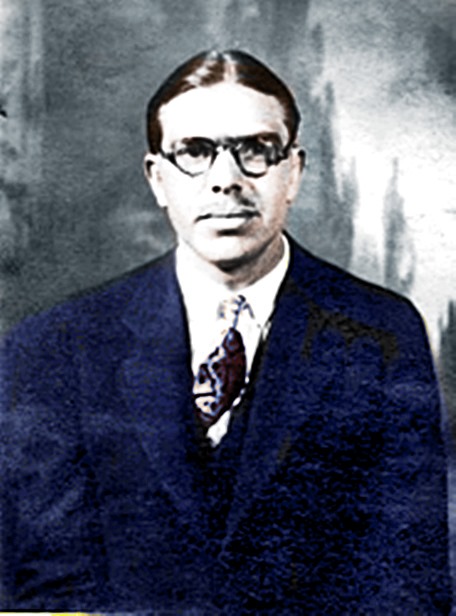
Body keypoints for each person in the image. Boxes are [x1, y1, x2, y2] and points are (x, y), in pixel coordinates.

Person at [0, 49, 452, 614]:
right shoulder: (56, 346)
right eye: (194, 152)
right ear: (157, 178)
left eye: (256, 150)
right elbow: (44, 587)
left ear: (294, 172)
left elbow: (408, 585)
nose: (225, 180)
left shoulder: (380, 334)